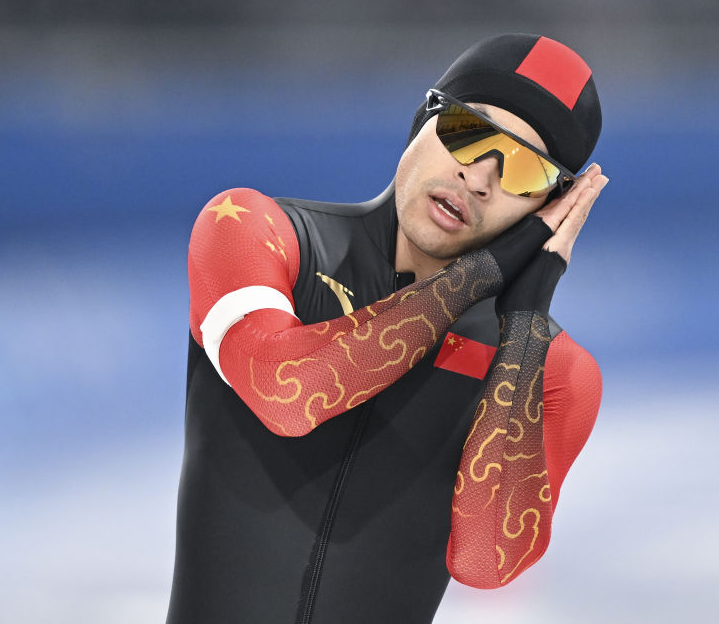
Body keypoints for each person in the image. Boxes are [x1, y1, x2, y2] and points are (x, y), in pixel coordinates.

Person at [166, 33, 609, 624]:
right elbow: (288, 394)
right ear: (424, 120)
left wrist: (524, 322)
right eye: (468, 131)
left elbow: (487, 560)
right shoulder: (260, 232)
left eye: (525, 170)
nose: (479, 178)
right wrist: (480, 276)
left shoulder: (552, 368)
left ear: (549, 206)